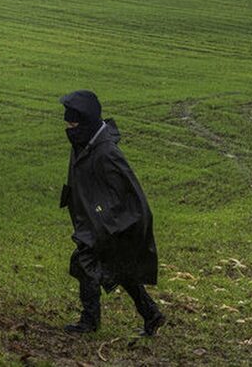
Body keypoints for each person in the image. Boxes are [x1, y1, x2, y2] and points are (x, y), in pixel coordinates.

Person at [59, 90, 165, 336]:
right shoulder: (83, 144)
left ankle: (89, 321)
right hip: (96, 222)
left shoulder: (106, 152)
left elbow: (129, 193)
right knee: (121, 269)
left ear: (84, 122)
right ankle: (151, 313)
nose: (68, 128)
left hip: (112, 224)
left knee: (85, 263)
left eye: (73, 123)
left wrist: (107, 222)